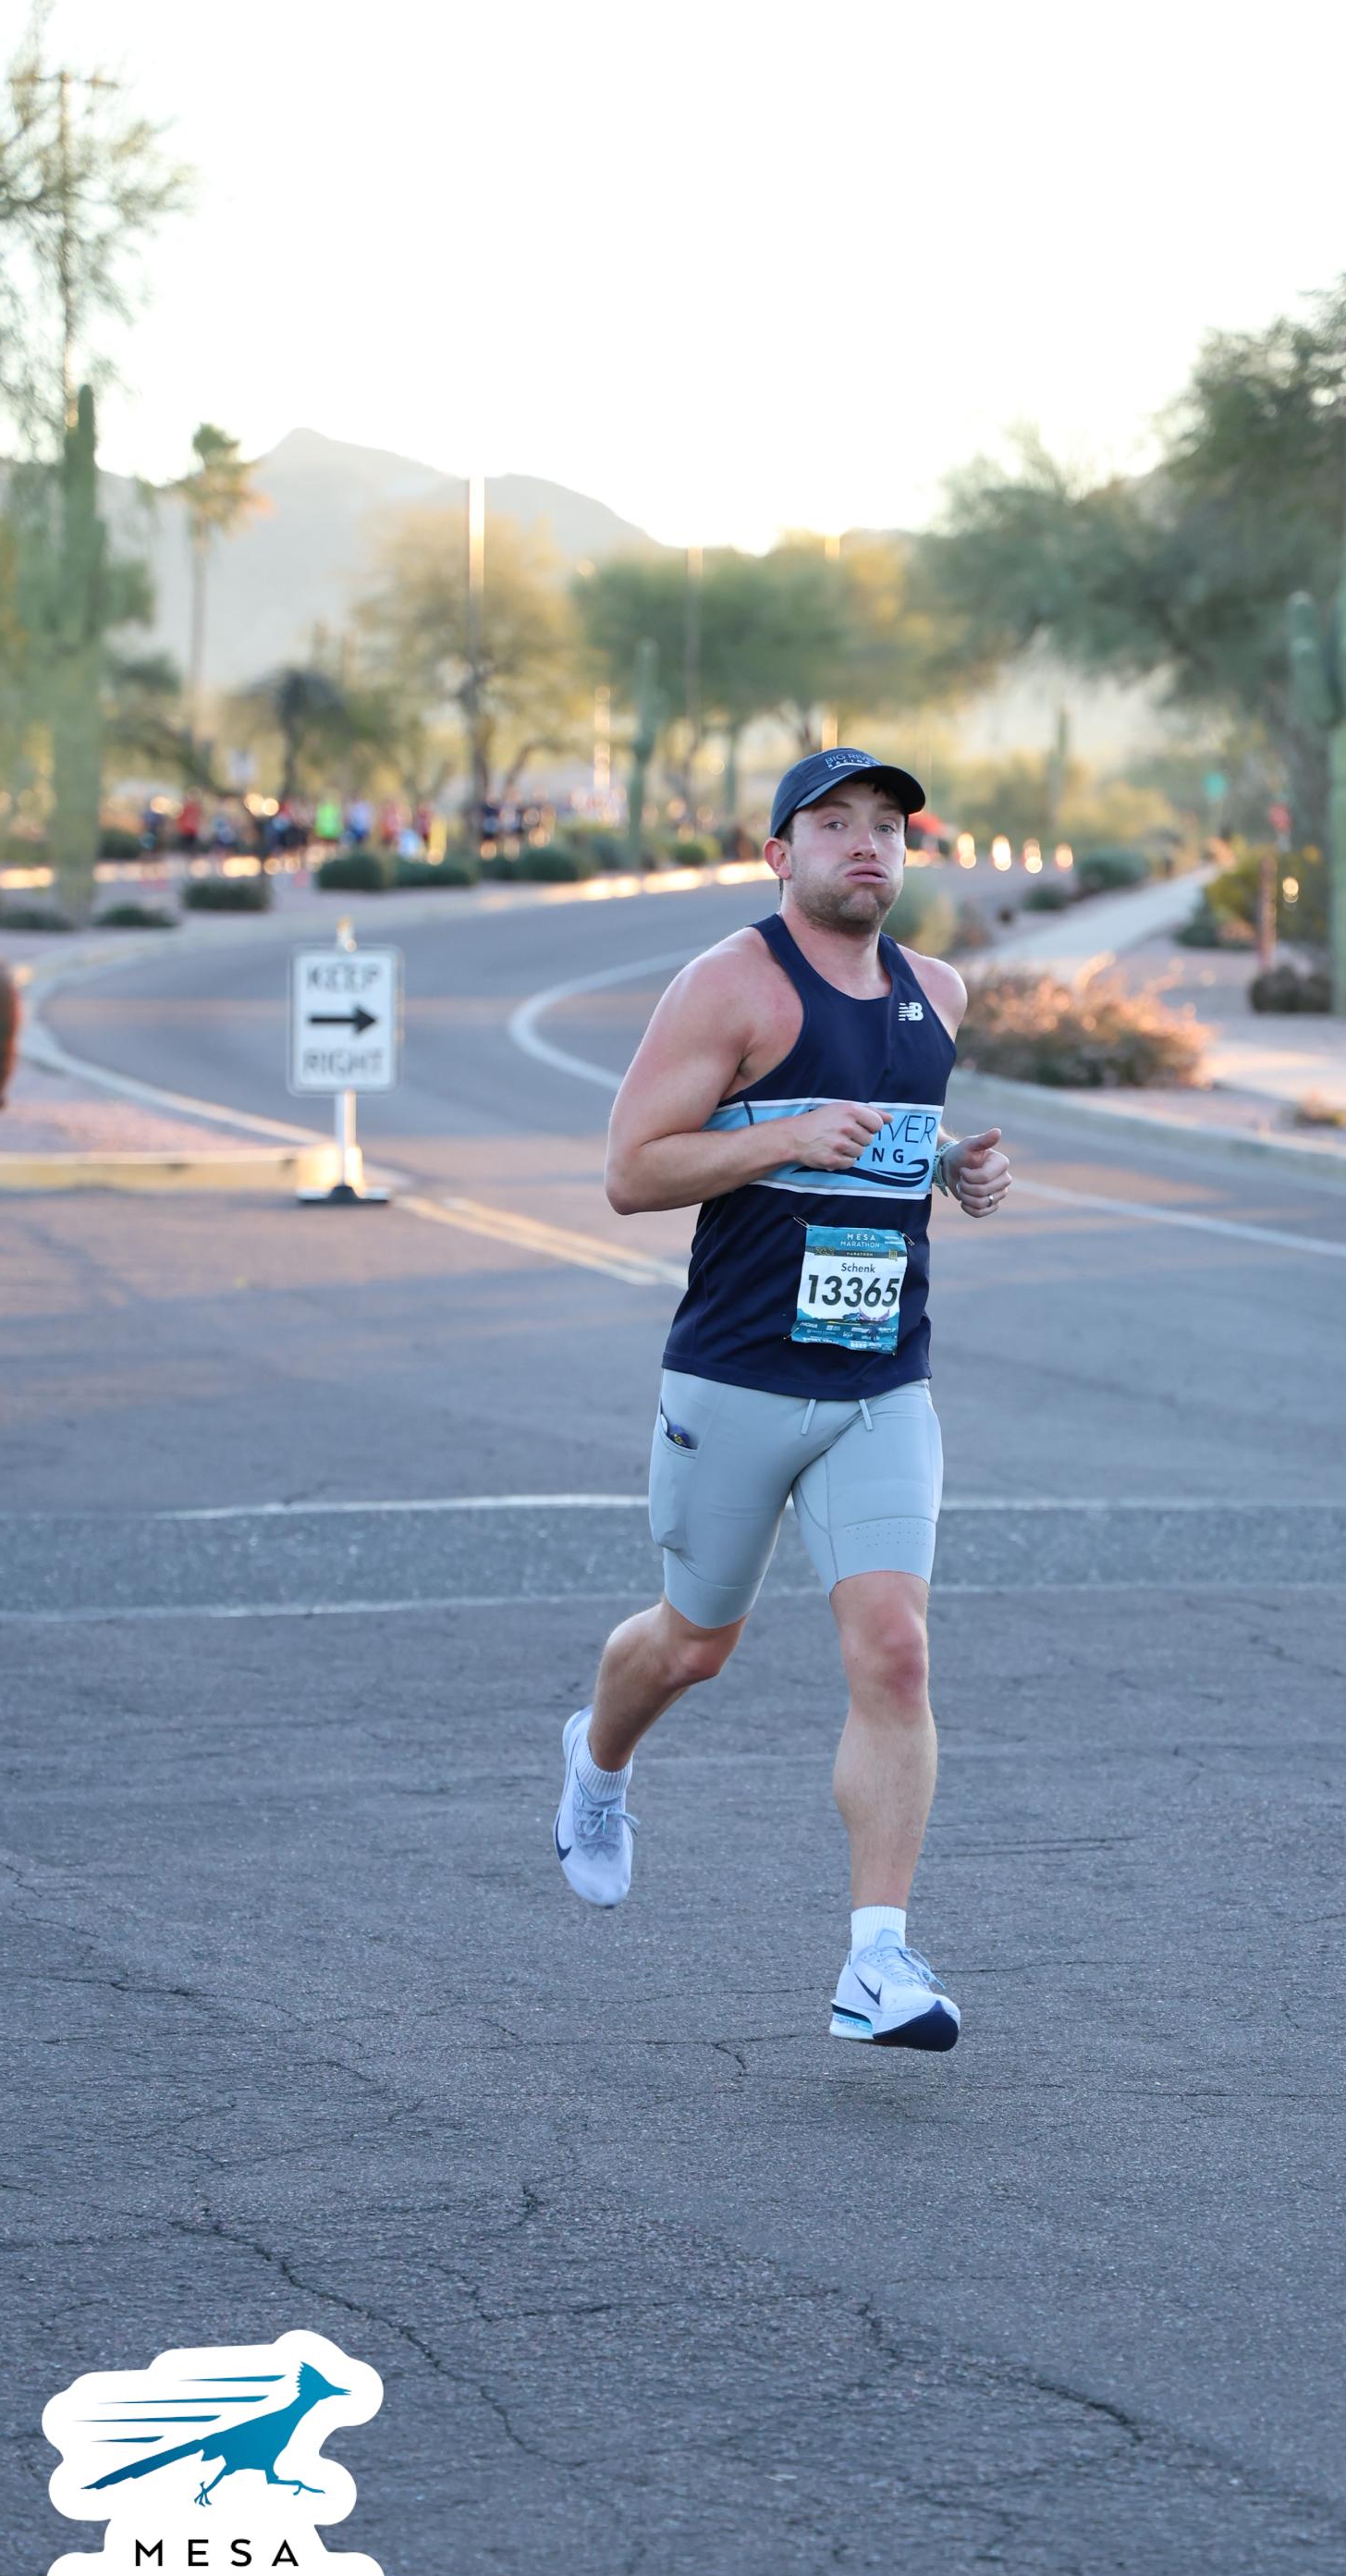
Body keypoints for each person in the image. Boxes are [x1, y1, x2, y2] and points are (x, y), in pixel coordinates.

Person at [553, 750, 1012, 2053]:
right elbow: (632, 1171)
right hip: (738, 1374)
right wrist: (781, 1139)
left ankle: (878, 1960)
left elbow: (876, 1146)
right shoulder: (731, 984)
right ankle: (597, 1763)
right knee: (694, 1645)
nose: (867, 845)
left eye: (889, 827)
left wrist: (954, 1172)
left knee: (897, 1651)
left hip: (881, 1380)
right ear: (779, 855)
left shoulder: (937, 993)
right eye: (834, 824)